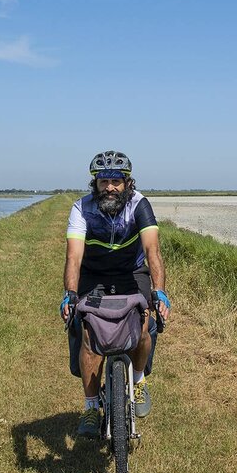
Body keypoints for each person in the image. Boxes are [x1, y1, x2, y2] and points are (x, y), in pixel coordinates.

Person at [60, 150, 170, 438]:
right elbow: (73, 258)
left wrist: (160, 293)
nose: (110, 187)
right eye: (103, 181)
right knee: (87, 331)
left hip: (131, 274)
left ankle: (139, 380)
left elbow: (152, 251)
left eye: (117, 181)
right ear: (94, 184)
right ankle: (90, 406)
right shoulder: (81, 209)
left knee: (146, 322)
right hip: (93, 276)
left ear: (127, 183)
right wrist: (70, 294)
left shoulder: (139, 205)